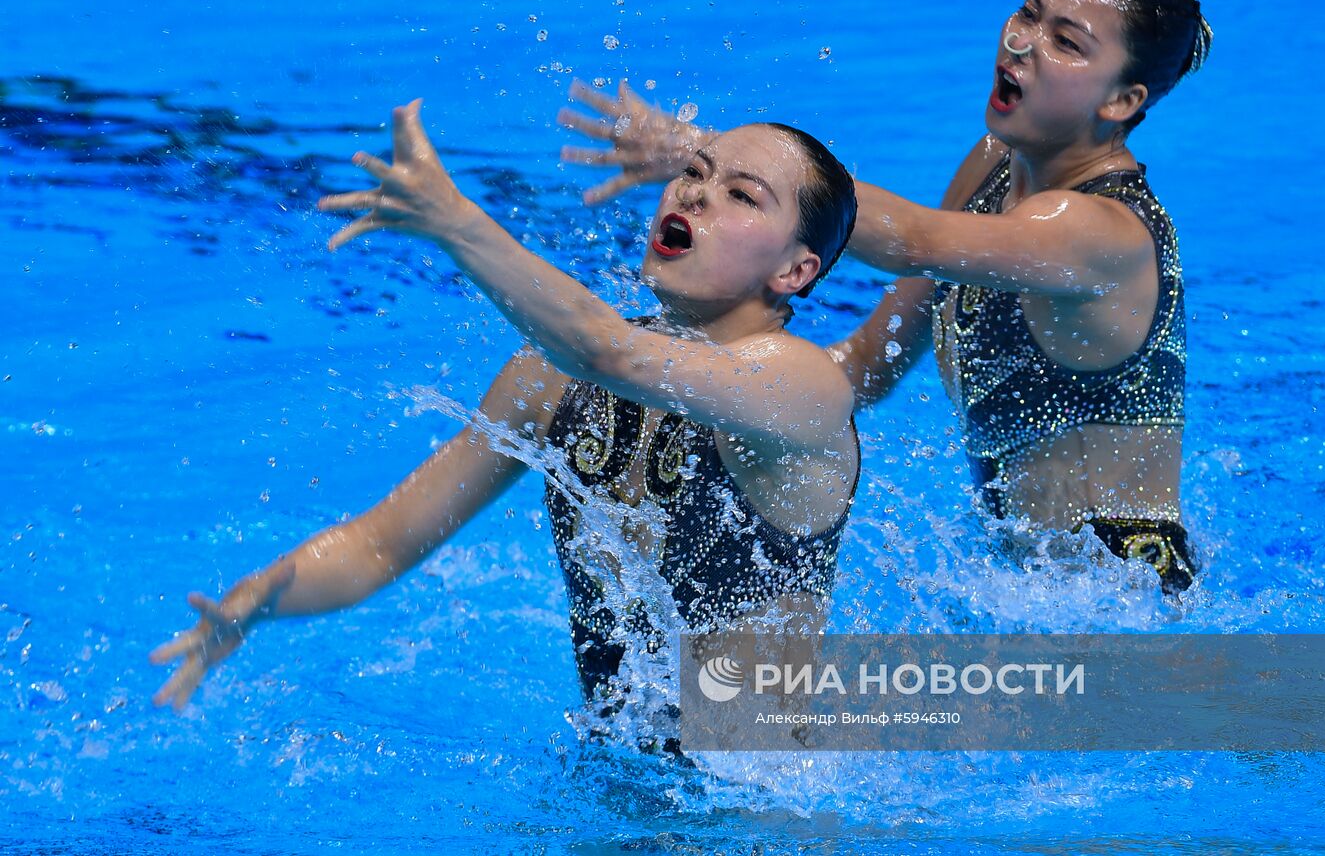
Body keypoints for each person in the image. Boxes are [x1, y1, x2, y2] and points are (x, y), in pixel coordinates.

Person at [150, 103, 861, 738]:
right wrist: (261, 596)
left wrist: (455, 222)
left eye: (741, 195)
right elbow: (382, 544)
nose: (696, 193)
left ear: (795, 272)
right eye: (694, 172)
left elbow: (605, 347)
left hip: (758, 816)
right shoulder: (550, 377)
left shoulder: (802, 387)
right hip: (615, 783)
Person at [558, 0, 1211, 594]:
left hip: (1122, 599)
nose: (1022, 42)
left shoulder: (1102, 232)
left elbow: (910, 240)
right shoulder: (993, 166)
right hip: (1023, 584)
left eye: (1065, 42)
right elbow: (870, 361)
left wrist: (706, 152)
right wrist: (700, 381)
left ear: (1123, 100)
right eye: (1029, 13)